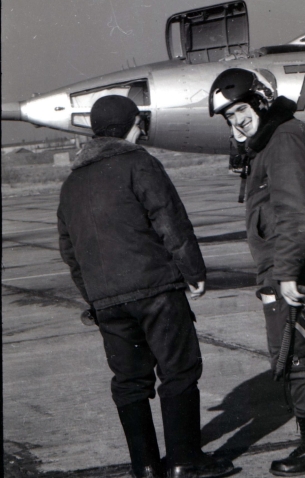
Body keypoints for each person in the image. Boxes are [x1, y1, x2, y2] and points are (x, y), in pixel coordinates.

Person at [57, 95, 233, 478]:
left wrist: (95, 297)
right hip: (155, 290)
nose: (143, 130)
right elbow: (169, 219)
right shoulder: (139, 163)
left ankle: (146, 467)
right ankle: (185, 461)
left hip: (108, 301)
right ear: (129, 125)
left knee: (130, 382)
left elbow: (69, 251)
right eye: (140, 123)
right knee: (179, 371)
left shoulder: (71, 183)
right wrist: (194, 271)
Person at [209, 68, 305, 476]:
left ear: (260, 101)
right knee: (301, 351)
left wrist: (286, 274)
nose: (237, 121)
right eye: (230, 117)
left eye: (240, 110)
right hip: (288, 262)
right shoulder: (269, 141)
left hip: (298, 263)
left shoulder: (284, 140)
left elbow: (296, 212)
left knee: (295, 353)